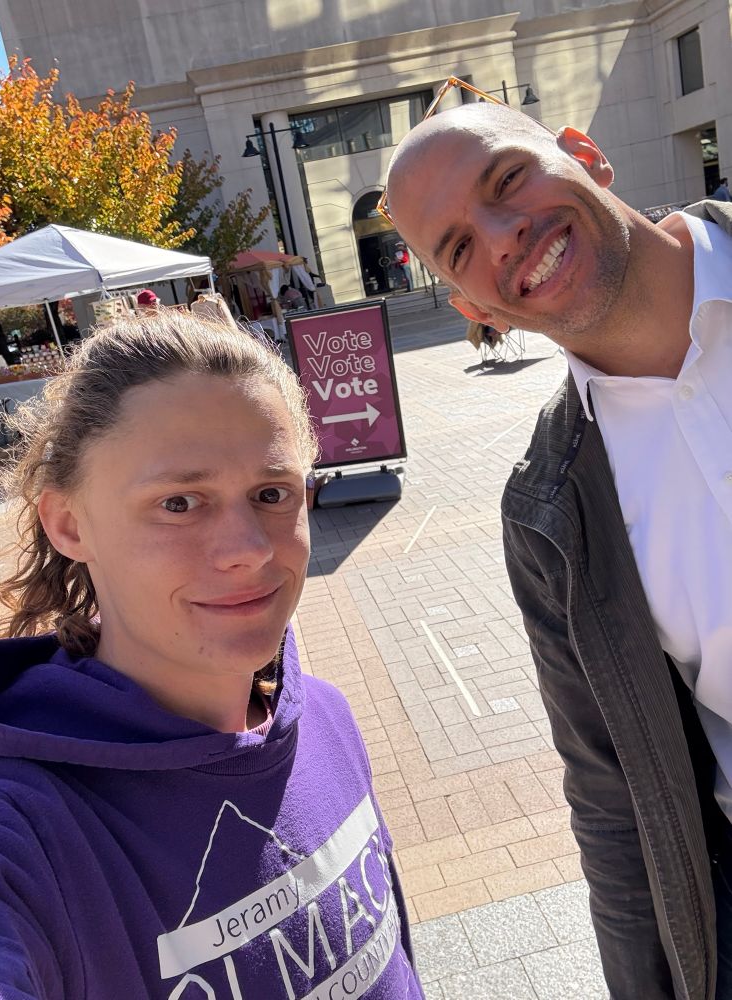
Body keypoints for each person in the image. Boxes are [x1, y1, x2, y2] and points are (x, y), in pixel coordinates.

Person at [385, 96, 732, 999]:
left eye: (508, 179)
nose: (503, 235)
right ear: (469, 304)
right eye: (459, 248)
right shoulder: (551, 510)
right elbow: (616, 802)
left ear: (585, 152)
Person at [0, 312, 425, 999]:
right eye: (180, 503)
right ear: (68, 523)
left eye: (272, 494)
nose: (248, 547)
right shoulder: (27, 830)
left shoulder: (325, 720)